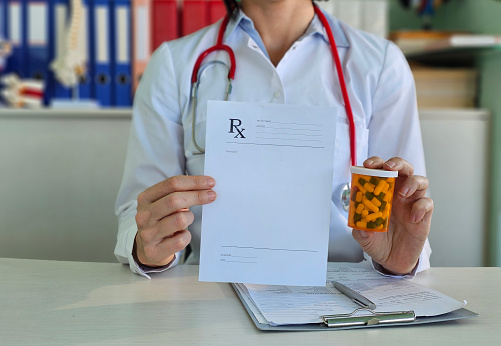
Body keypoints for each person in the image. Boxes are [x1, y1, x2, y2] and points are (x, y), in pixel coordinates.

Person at [115, 0, 433, 279]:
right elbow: (138, 209)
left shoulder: (380, 65)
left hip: (342, 299)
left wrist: (397, 264)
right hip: (212, 298)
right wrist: (146, 245)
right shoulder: (173, 64)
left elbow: (403, 217)